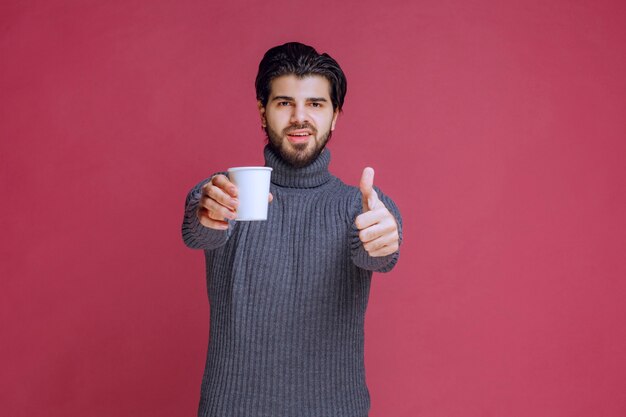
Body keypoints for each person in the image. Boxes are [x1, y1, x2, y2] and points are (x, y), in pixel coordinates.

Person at [182, 41, 403, 417]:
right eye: (285, 103)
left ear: (335, 116)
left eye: (315, 104)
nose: (300, 117)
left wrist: (383, 239)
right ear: (262, 111)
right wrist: (206, 213)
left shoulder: (361, 206)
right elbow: (199, 230)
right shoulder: (224, 193)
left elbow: (378, 253)